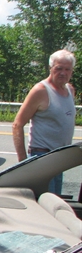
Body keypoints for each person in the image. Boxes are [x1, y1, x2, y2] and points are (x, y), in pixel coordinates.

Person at [12, 49, 76, 195]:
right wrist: (23, 161)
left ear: (72, 71)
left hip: (60, 158)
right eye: (59, 68)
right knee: (45, 203)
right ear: (50, 68)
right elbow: (17, 124)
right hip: (42, 157)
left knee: (55, 201)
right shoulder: (41, 90)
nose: (63, 73)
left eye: (67, 69)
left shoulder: (69, 90)